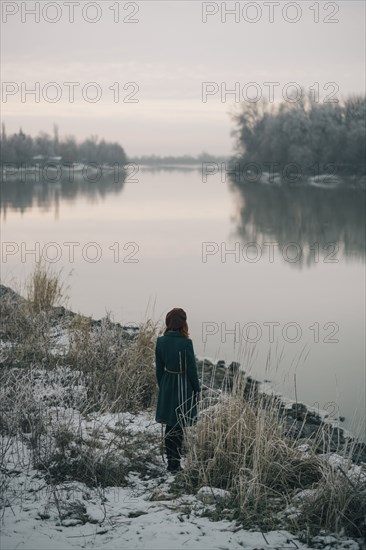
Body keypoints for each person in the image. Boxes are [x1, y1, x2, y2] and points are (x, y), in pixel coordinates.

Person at [155, 308, 200, 473]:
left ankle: (171, 463)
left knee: (169, 424)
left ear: (168, 323)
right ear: (183, 323)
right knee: (179, 425)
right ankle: (175, 464)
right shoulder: (186, 342)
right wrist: (196, 388)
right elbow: (192, 369)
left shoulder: (160, 341)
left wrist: (164, 386)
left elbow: (159, 369)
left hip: (167, 382)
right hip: (182, 384)